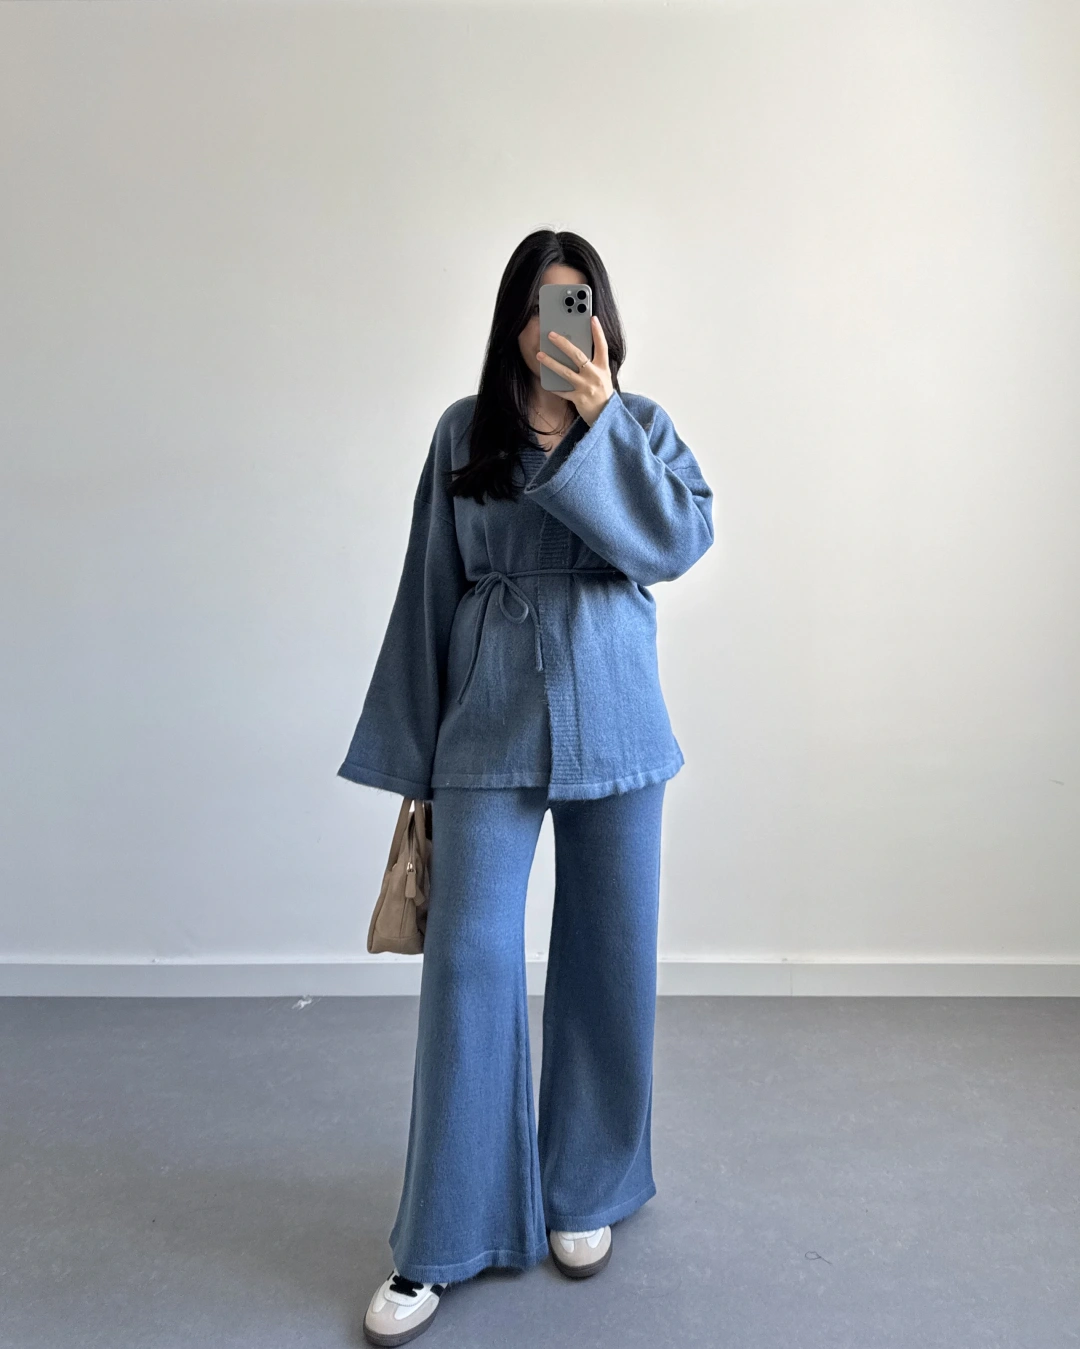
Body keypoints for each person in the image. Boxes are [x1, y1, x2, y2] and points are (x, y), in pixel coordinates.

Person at [338, 229, 715, 1345]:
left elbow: (679, 540)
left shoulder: (640, 426)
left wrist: (604, 421)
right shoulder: (465, 432)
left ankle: (585, 1187)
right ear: (515, 320)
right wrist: (415, 761)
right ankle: (440, 1237)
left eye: (578, 302)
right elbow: (427, 588)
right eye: (543, 303)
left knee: (609, 957)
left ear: (599, 319)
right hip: (488, 716)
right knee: (468, 962)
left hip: (617, 713)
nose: (560, 323)